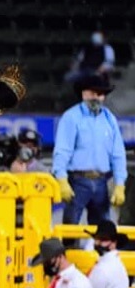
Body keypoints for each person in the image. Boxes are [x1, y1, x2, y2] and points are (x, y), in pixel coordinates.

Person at [52, 74, 126, 227]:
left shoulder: (109, 118)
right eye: (93, 93)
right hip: (77, 181)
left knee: (103, 231)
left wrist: (120, 184)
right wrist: (61, 178)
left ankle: (99, 250)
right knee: (71, 228)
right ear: (83, 93)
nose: (97, 97)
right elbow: (62, 150)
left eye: (100, 94)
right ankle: (69, 249)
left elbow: (118, 154)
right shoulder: (71, 117)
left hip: (102, 181)